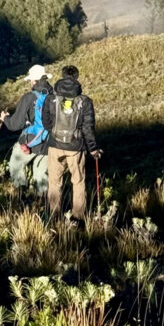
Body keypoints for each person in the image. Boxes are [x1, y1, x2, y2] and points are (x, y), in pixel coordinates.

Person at [41, 65, 103, 224]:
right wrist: (93, 149)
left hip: (55, 145)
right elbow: (88, 128)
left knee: (54, 182)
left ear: (62, 76)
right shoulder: (85, 101)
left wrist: (55, 133)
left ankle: (54, 217)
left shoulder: (50, 99)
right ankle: (78, 218)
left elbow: (46, 123)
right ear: (77, 77)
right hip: (76, 147)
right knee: (78, 182)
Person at [0, 64, 53, 194]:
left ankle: (21, 195)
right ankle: (43, 200)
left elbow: (14, 125)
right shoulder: (55, 95)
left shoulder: (29, 97)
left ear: (34, 80)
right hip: (51, 143)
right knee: (40, 172)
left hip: (32, 142)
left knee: (15, 165)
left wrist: (5, 118)